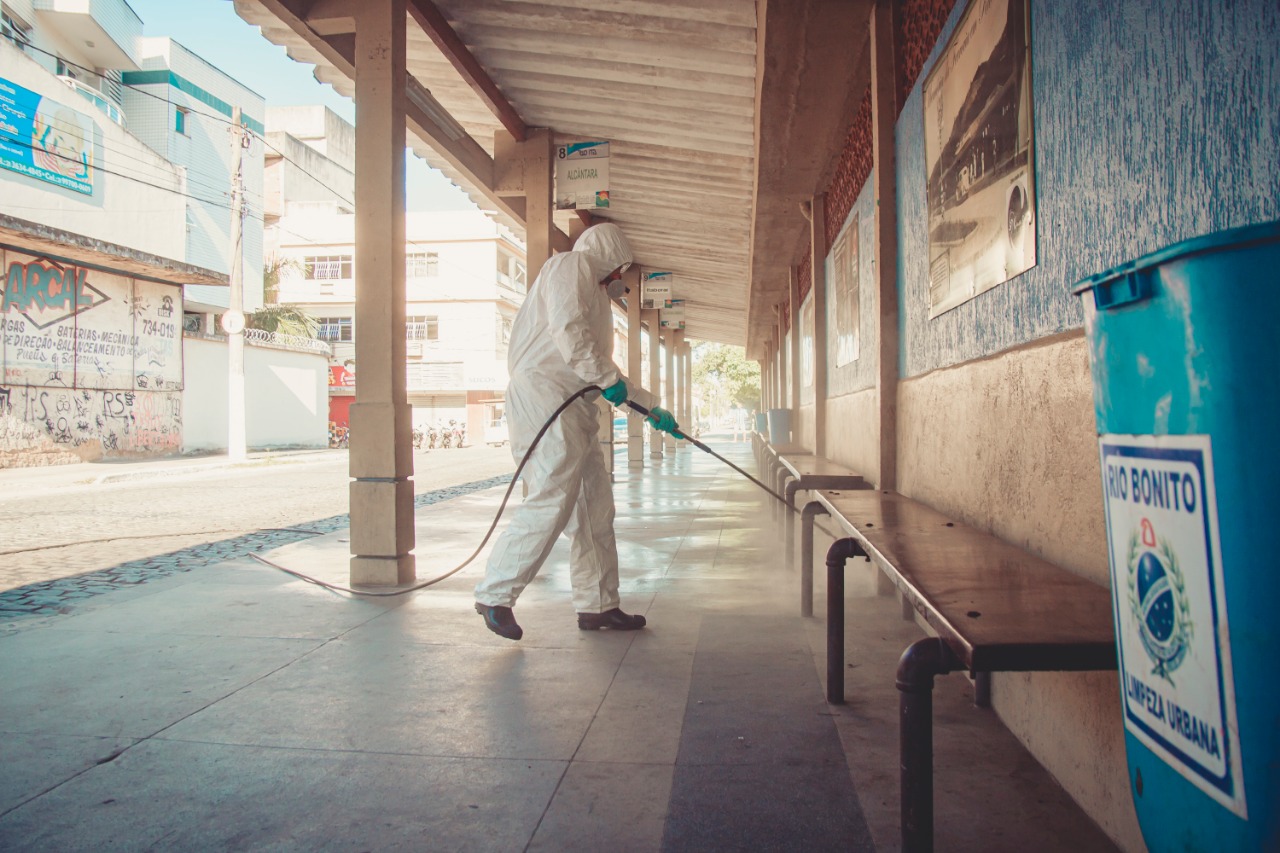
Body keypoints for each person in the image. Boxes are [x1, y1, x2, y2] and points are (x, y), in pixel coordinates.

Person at [474, 223, 679, 640]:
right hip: (545, 398)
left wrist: (650, 407)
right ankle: (494, 594)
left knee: (595, 511)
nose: (619, 277)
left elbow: (598, 364)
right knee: (551, 498)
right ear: (609, 255)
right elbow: (569, 331)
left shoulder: (597, 295)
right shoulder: (571, 266)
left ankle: (599, 604)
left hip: (575, 407)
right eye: (619, 267)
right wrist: (609, 381)